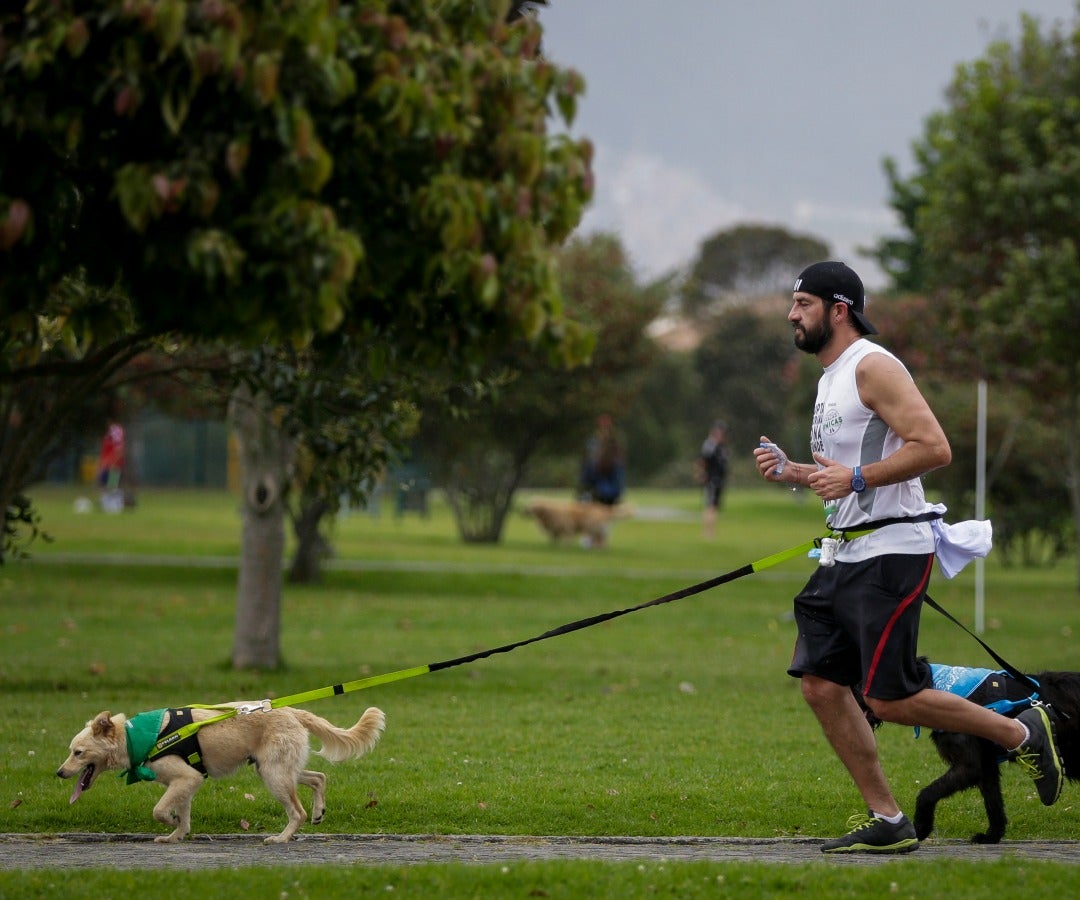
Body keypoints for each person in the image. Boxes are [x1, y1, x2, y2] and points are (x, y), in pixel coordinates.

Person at [753, 260, 1064, 854]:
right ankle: (889, 819)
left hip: (891, 554)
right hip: (845, 554)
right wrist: (796, 472)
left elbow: (934, 448)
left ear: (838, 310)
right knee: (821, 684)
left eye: (803, 304)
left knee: (888, 698)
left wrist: (858, 478)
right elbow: (847, 471)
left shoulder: (873, 366)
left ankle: (1018, 732)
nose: (791, 315)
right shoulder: (831, 377)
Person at [579, 413, 625, 507]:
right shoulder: (593, 445)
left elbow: (617, 478)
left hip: (607, 492)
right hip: (596, 487)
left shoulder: (614, 449)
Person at [699, 421, 728, 538]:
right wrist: (702, 474)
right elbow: (703, 461)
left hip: (719, 481)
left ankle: (711, 532)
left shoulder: (721, 447)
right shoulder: (710, 446)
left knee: (714, 506)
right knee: (710, 505)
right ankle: (708, 532)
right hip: (712, 480)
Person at [97, 421, 126, 513]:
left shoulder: (116, 430)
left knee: (113, 484)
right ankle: (107, 506)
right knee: (104, 484)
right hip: (106, 463)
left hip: (114, 464)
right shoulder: (108, 432)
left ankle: (116, 506)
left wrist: (113, 461)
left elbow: (119, 449)